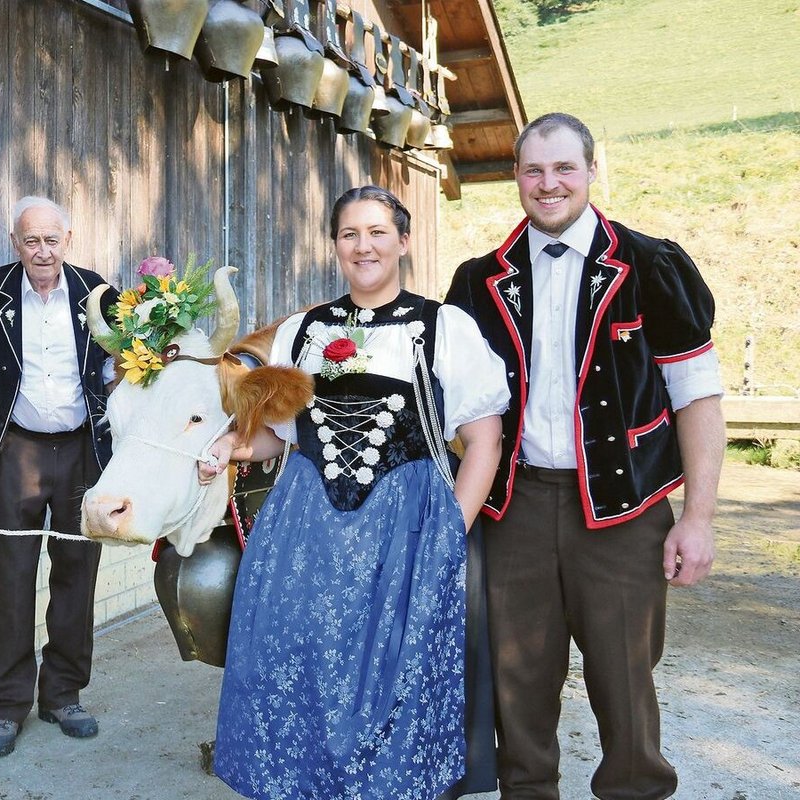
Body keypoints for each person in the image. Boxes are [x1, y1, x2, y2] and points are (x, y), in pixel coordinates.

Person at [445, 112, 724, 799]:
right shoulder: (477, 282)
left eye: (565, 167)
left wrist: (698, 518)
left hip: (624, 511)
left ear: (593, 170)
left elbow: (697, 397)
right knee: (517, 686)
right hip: (513, 507)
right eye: (534, 170)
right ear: (516, 176)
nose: (549, 184)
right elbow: (449, 406)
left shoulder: (652, 266)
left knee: (625, 681)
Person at [202, 185, 509, 799]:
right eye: (349, 234)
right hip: (305, 526)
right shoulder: (302, 330)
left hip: (404, 527)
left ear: (403, 241)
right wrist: (226, 447)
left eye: (376, 232)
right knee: (298, 660)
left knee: (395, 672)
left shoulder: (442, 327)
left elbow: (485, 442)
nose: (363, 246)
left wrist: (449, 533)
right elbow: (277, 437)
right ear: (335, 245)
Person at [0, 196, 119, 757]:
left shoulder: (98, 293)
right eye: (31, 241)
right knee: (11, 576)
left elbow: (117, 370)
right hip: (14, 449)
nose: (42, 251)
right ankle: (6, 705)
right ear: (15, 243)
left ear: (67, 239)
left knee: (77, 572)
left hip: (81, 451)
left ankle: (63, 695)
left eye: (51, 240)